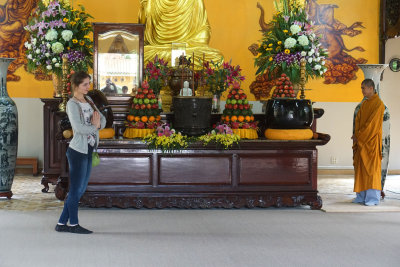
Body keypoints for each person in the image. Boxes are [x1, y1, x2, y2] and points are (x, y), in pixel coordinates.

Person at [55, 71, 106, 234]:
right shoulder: (72, 104)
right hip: (77, 151)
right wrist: (94, 126)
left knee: (80, 189)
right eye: (85, 84)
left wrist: (97, 124)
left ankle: (61, 223)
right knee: (76, 189)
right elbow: (78, 129)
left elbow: (103, 120)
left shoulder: (89, 100)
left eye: (89, 83)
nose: (88, 87)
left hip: (89, 149)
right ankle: (73, 224)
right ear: (75, 85)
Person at [352, 79, 385, 206]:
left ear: (371, 88)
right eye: (361, 88)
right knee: (361, 169)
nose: (362, 90)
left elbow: (372, 125)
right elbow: (359, 122)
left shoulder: (378, 104)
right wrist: (356, 135)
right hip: (362, 142)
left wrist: (359, 136)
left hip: (371, 142)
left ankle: (372, 198)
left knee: (371, 171)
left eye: (363, 88)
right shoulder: (364, 104)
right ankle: (361, 196)